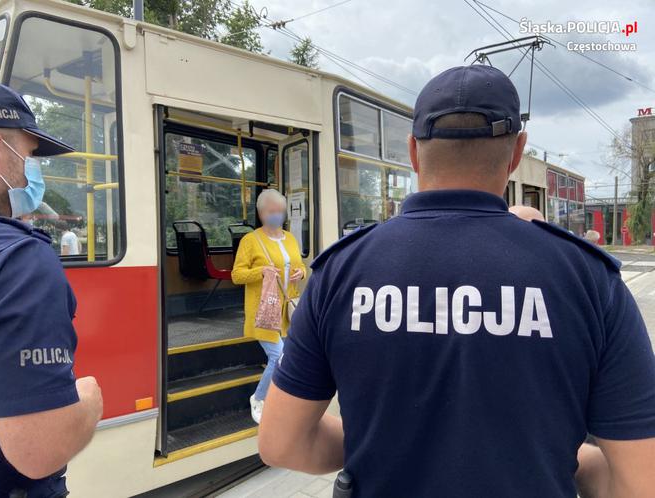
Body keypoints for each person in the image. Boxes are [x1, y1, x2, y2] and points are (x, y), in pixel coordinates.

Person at [259, 66, 655, 497]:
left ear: (413, 151)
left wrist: (385, 444)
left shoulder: (340, 270)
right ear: (517, 151)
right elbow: (640, 482)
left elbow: (281, 444)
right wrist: (565, 458)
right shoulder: (589, 278)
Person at [0, 81, 103, 497]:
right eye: (32, 155)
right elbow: (39, 451)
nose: (34, 169)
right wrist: (89, 400)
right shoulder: (21, 263)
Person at [231, 189, 306, 423]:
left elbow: (301, 265)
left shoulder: (290, 238)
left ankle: (280, 399)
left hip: (287, 309)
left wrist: (300, 272)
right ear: (261, 213)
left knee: (289, 356)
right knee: (279, 355)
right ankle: (259, 398)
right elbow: (237, 275)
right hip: (264, 310)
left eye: (280, 211)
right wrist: (261, 272)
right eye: (272, 211)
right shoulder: (251, 240)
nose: (277, 215)